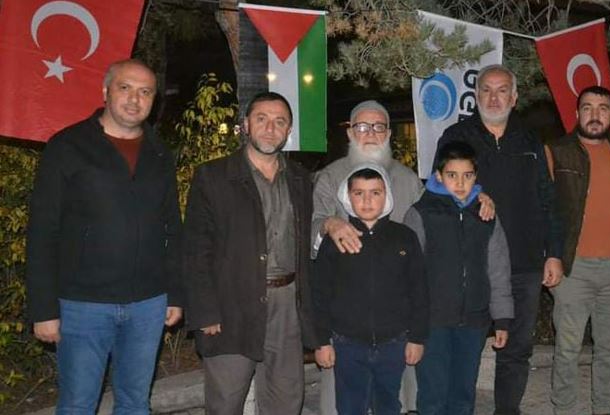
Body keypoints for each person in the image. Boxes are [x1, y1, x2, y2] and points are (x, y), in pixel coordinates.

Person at [312, 100, 495, 415]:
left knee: (393, 398)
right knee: (346, 401)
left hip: (395, 319)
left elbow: (444, 202)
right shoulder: (330, 176)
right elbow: (313, 231)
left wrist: (479, 195)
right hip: (348, 325)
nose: (370, 133)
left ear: (388, 133)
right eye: (362, 127)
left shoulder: (407, 178)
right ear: (350, 132)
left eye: (378, 127)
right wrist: (330, 223)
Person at [25, 59, 183, 413]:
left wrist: (175, 293)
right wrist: (43, 309)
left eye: (145, 92)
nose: (134, 99)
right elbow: (43, 230)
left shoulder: (159, 153)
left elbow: (172, 227)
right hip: (82, 305)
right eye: (125, 88)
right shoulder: (68, 146)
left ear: (154, 100)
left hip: (148, 304)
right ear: (105, 92)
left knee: (135, 402)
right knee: (78, 404)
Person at [434, 63, 564, 415]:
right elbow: (437, 192)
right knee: (466, 349)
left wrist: (554, 253)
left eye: (502, 90)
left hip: (524, 264)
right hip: (472, 264)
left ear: (514, 97)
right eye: (487, 90)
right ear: (476, 96)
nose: (494, 98)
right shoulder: (456, 137)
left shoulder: (530, 139)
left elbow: (548, 198)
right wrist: (474, 194)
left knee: (517, 349)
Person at [183, 91, 318, 415]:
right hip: (231, 306)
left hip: (288, 306)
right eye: (262, 119)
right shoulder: (213, 177)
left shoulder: (300, 178)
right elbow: (196, 249)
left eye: (280, 121)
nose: (270, 128)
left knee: (286, 401)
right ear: (245, 125)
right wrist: (205, 311)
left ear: (289, 130)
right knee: (226, 402)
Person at [545, 86, 610, 415]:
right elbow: (543, 208)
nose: (595, 114)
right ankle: (563, 409)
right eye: (587, 108)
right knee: (568, 348)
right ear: (577, 114)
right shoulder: (556, 152)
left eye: (603, 108)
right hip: (573, 267)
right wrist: (550, 255)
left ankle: (604, 408)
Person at [403, 141, 513, 415]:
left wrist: (502, 318)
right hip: (433, 322)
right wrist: (412, 321)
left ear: (476, 176)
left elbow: (498, 268)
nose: (461, 183)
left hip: (474, 320)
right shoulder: (420, 214)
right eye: (452, 175)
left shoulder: (485, 214)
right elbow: (408, 273)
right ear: (439, 175)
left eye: (468, 175)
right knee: (433, 396)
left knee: (463, 396)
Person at [312, 164, 429, 415]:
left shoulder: (404, 237)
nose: (367, 201)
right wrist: (321, 341)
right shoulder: (335, 241)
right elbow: (320, 293)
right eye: (359, 193)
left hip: (393, 342)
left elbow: (419, 291)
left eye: (375, 193)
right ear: (347, 196)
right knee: (349, 406)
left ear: (387, 195)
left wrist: (417, 338)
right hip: (347, 343)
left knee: (388, 404)